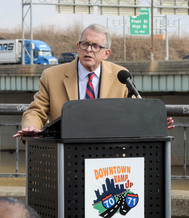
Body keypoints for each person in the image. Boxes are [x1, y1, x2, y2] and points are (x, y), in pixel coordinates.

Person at [13, 23, 174, 138]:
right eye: (85, 44)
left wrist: (153, 122)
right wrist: (31, 127)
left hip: (108, 156)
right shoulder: (52, 76)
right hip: (67, 152)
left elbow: (133, 113)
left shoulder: (120, 76)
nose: (89, 50)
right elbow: (36, 111)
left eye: (96, 46)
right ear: (78, 47)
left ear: (106, 53)